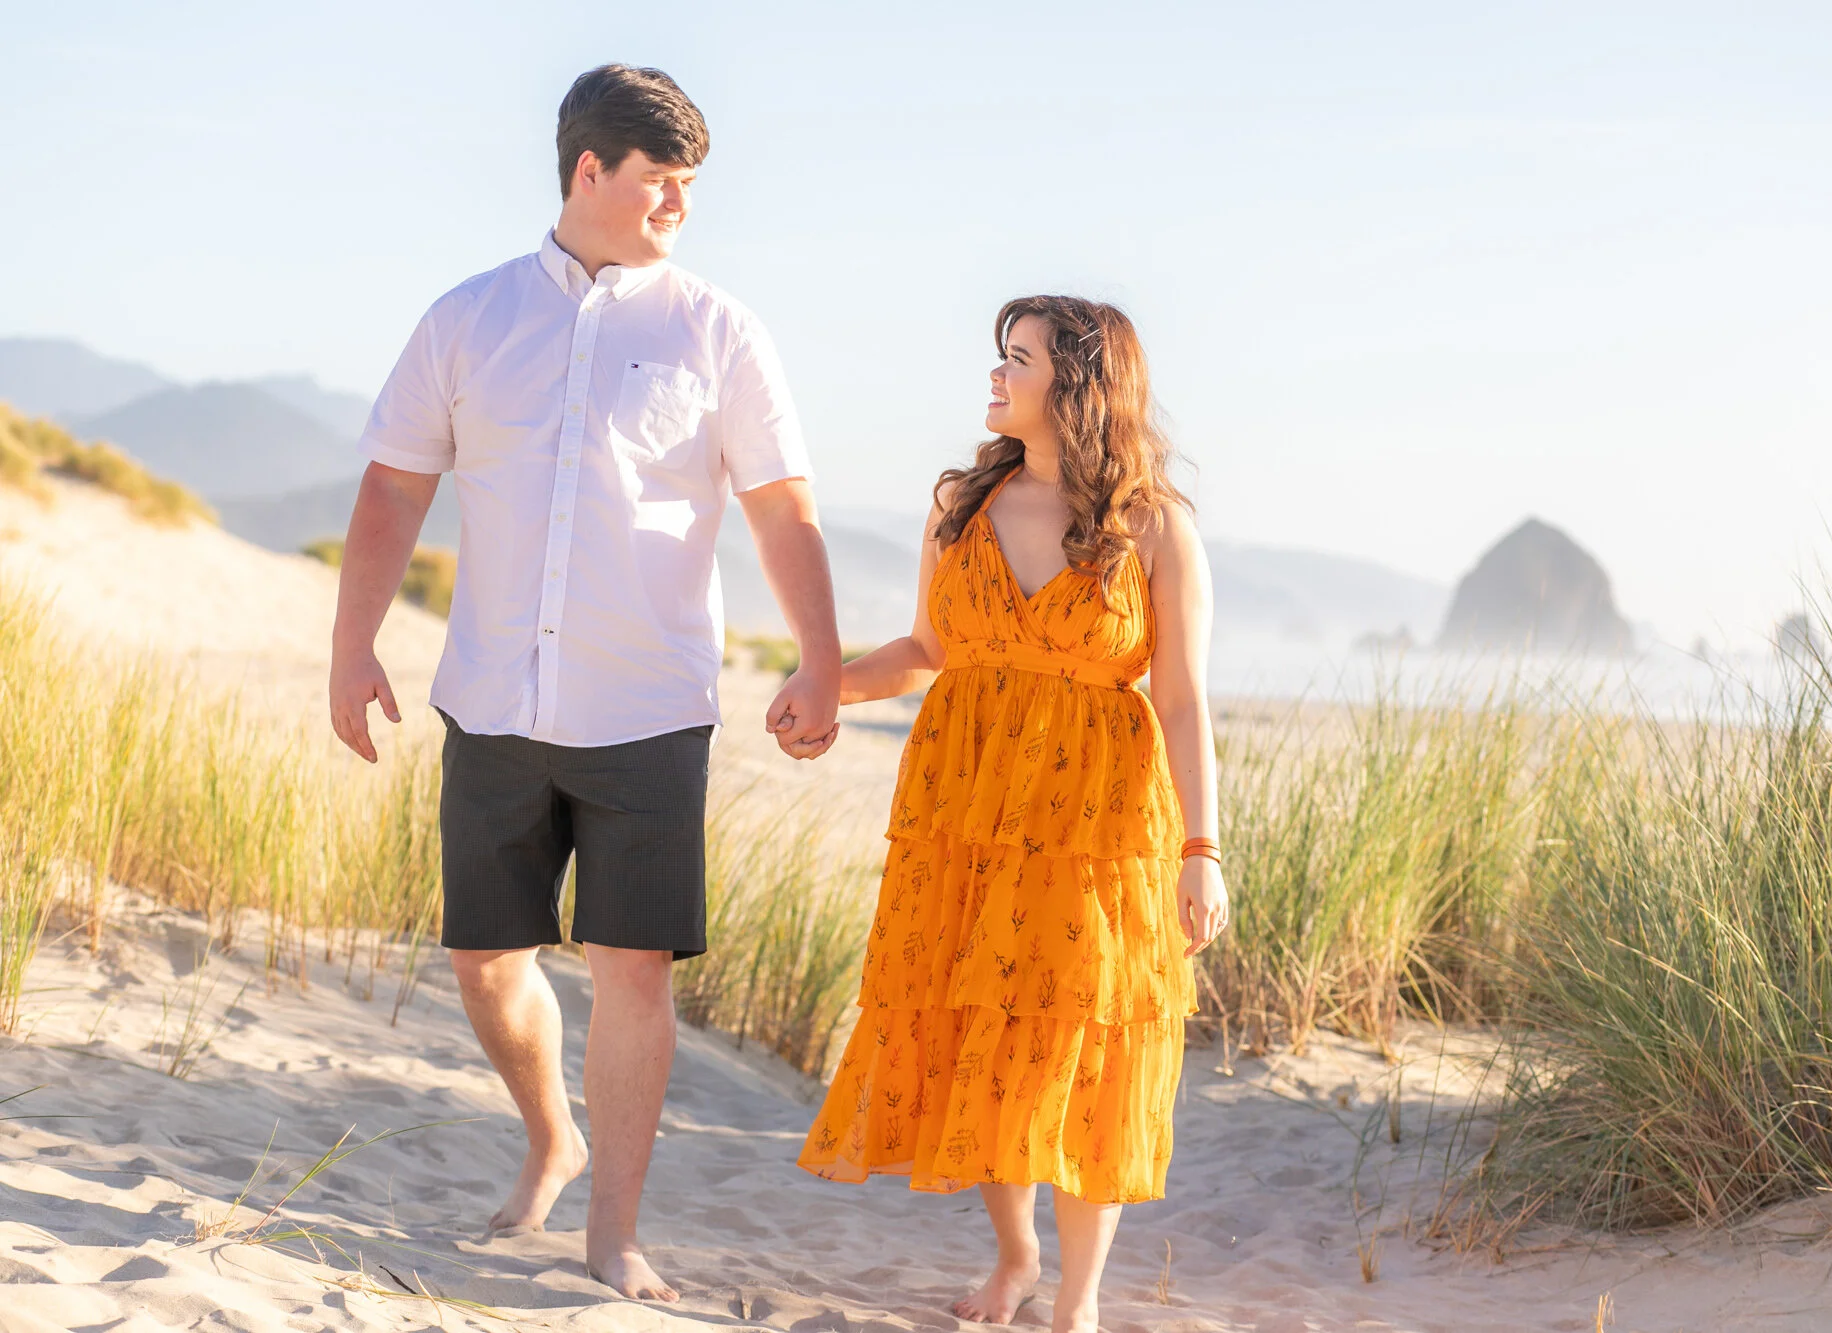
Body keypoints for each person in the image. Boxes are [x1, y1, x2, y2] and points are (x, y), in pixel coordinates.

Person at [328, 64, 840, 1303]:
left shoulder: (719, 331)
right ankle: (548, 1131)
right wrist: (351, 643)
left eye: (690, 185)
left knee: (631, 970)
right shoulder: (469, 317)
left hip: (650, 705)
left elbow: (780, 510)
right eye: (659, 180)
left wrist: (820, 654)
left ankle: (613, 1228)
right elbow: (395, 488)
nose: (678, 203)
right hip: (495, 698)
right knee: (483, 962)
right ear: (586, 172)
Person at [797, 296, 1229, 1331]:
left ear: (1076, 384)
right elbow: (924, 653)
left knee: (1082, 1044)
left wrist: (1201, 849)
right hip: (967, 816)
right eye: (999, 356)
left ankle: (1075, 1301)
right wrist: (824, 688)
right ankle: (1016, 1256)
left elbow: (1180, 700)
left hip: (1100, 828)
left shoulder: (1156, 526)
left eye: (1017, 359)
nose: (995, 376)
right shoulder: (958, 504)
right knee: (978, 1029)